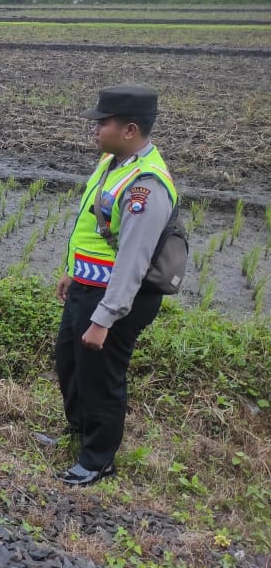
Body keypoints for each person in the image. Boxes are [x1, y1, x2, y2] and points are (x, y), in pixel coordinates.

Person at [49, 85, 177, 486]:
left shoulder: (146, 186)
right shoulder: (112, 162)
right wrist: (72, 269)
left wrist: (104, 318)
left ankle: (98, 458)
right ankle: (80, 433)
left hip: (117, 299)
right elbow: (93, 224)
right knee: (70, 364)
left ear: (129, 129)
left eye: (102, 122)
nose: (95, 129)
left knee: (101, 377)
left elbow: (133, 261)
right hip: (87, 288)